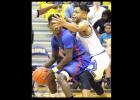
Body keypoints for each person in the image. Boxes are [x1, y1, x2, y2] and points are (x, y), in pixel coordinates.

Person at [52, 3, 110, 97]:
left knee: (84, 76)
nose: (74, 13)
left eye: (77, 12)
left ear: (84, 14)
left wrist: (64, 23)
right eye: (73, 11)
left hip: (99, 57)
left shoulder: (84, 23)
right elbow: (71, 28)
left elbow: (77, 28)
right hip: (92, 58)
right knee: (91, 81)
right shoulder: (75, 25)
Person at [42, 14, 91, 97]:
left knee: (61, 77)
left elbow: (68, 57)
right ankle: (55, 96)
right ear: (49, 26)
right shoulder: (54, 39)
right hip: (71, 61)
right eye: (53, 24)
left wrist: (54, 70)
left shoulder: (66, 36)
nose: (56, 26)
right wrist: (42, 67)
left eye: (58, 23)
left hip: (81, 59)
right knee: (48, 75)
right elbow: (54, 57)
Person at [100, 23, 111, 89]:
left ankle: (108, 79)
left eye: (109, 28)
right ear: (104, 29)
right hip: (103, 52)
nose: (107, 29)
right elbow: (100, 45)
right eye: (106, 28)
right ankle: (102, 78)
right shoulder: (102, 35)